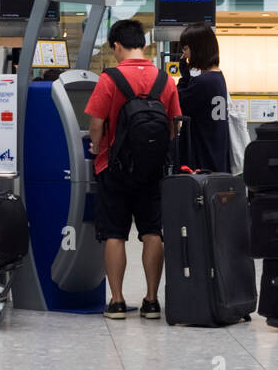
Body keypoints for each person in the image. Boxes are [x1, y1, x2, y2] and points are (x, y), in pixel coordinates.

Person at [85, 19, 181, 319]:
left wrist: (96, 148)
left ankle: (116, 301)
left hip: (114, 167)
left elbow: (97, 124)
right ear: (142, 43)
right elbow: (174, 125)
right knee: (153, 231)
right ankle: (152, 301)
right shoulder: (164, 80)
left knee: (115, 233)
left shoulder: (109, 79)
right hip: (152, 169)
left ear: (117, 45)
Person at [176, 22, 230, 173]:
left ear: (198, 49)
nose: (184, 55)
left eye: (186, 49)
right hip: (215, 158)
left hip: (202, 163)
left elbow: (178, 102)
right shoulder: (217, 77)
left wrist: (184, 77)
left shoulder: (203, 82)